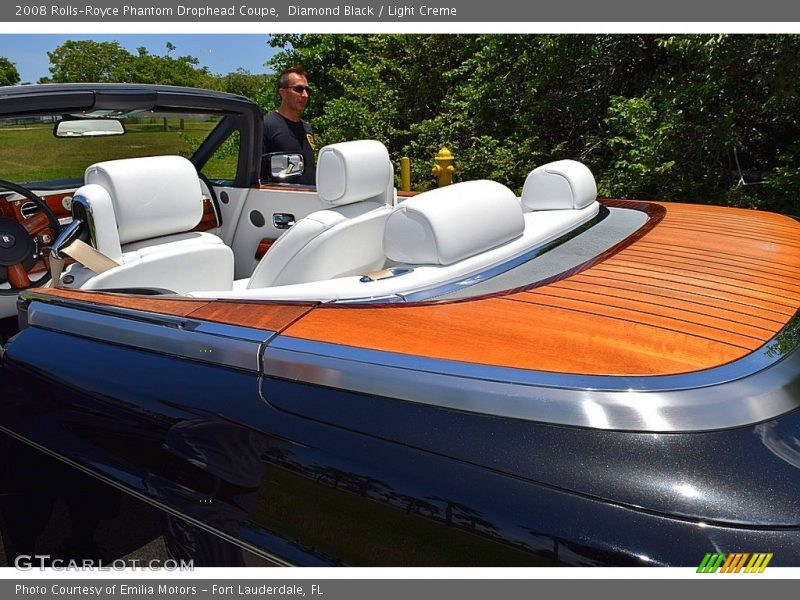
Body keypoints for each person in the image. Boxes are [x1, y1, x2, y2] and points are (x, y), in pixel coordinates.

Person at [261, 66, 316, 185]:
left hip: (311, 200)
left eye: (307, 90)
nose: (305, 95)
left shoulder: (306, 128)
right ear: (283, 93)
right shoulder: (266, 126)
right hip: (281, 200)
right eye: (299, 89)